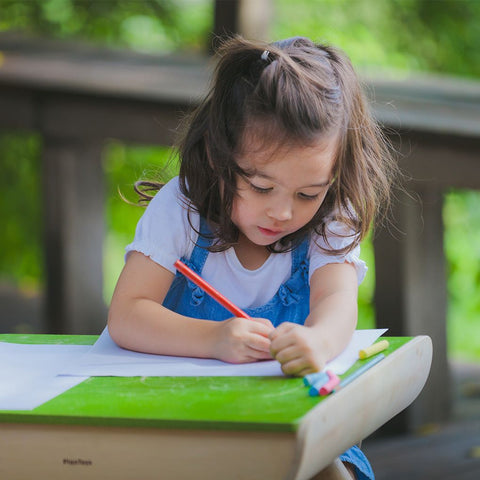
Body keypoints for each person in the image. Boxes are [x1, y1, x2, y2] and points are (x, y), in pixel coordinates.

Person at [108, 36, 397, 479]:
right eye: (262, 187)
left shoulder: (332, 217)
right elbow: (127, 314)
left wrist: (317, 342)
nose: (283, 212)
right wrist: (214, 339)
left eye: (307, 193)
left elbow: (336, 304)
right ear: (217, 154)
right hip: (182, 421)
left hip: (290, 421)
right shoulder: (182, 208)